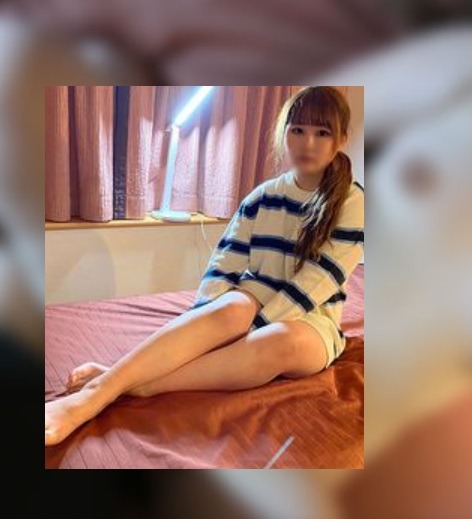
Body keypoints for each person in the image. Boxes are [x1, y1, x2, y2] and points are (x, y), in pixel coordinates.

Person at [44, 86, 364, 447]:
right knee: (229, 307)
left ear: (341, 139)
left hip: (312, 317)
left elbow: (316, 283)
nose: (308, 143)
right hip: (253, 296)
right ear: (283, 134)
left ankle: (127, 384)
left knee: (280, 339)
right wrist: (207, 320)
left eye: (322, 133)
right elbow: (225, 264)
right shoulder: (262, 197)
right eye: (298, 130)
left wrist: (251, 330)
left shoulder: (352, 201)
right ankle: (97, 394)